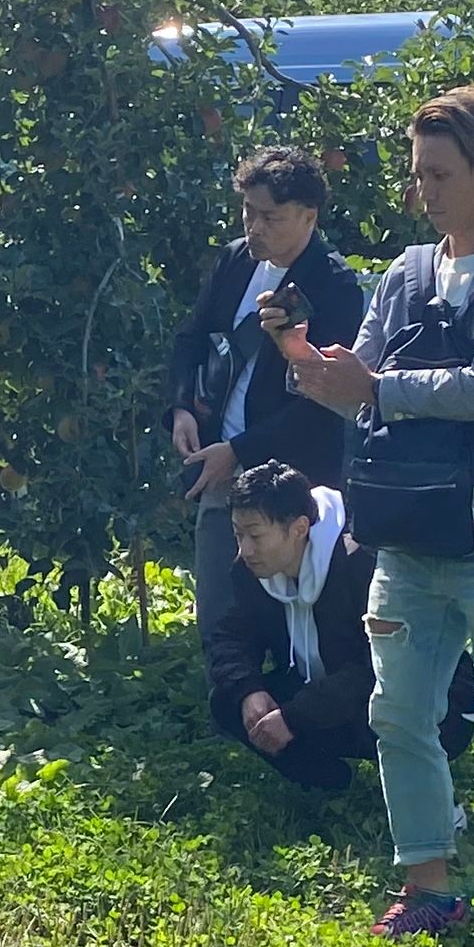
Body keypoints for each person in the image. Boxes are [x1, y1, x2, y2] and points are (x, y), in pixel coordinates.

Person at [277, 86, 474, 941]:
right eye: (418, 174)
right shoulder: (406, 272)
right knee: (397, 711)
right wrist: (306, 359)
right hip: (408, 531)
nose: (424, 192)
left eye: (441, 174)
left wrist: (377, 388)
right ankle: (429, 887)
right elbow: (359, 389)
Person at [166, 149, 364, 684]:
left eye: (270, 217)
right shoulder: (234, 261)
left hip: (291, 477)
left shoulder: (335, 286)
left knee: (301, 614)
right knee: (220, 610)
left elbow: (323, 405)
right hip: (221, 465)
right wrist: (181, 407)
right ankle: (235, 704)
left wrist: (239, 451)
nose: (253, 227)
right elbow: (190, 337)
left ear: (309, 215)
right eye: (247, 212)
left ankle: (299, 710)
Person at [205, 460, 467, 794]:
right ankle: (326, 783)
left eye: (255, 535)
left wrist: (295, 716)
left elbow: (382, 666)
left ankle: (420, 790)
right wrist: (248, 691)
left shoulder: (363, 562)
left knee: (396, 699)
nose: (245, 549)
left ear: (299, 528)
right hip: (327, 693)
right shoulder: (251, 570)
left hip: (426, 699)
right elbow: (231, 636)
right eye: (238, 534)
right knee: (227, 698)